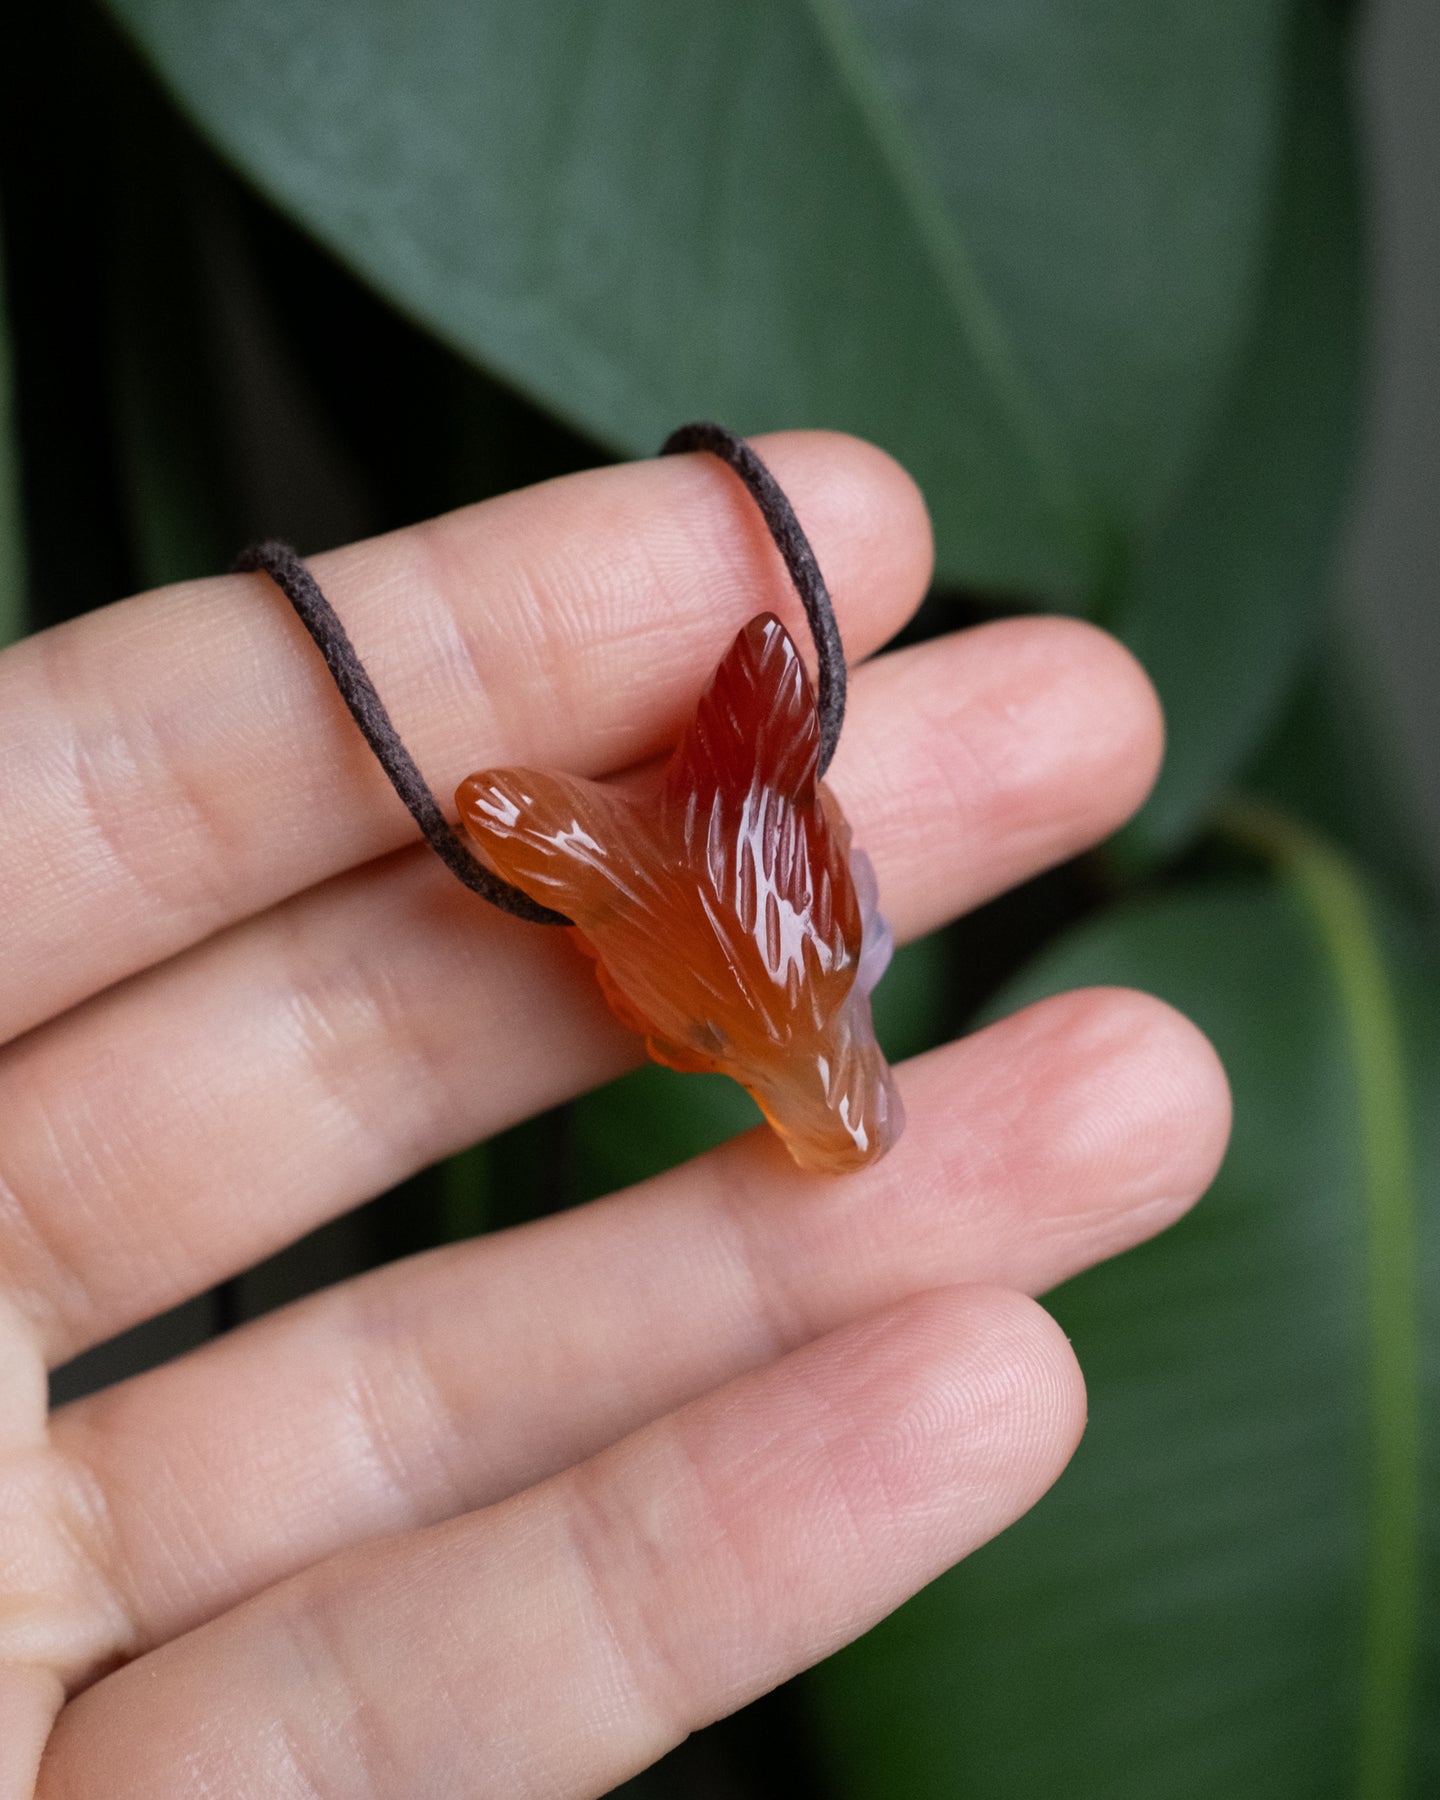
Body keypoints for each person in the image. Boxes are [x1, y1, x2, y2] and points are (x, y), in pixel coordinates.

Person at [0, 432, 1229, 1797]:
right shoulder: (609, 883)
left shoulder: (774, 823)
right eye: (716, 1039)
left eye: (833, 972)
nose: (832, 1097)